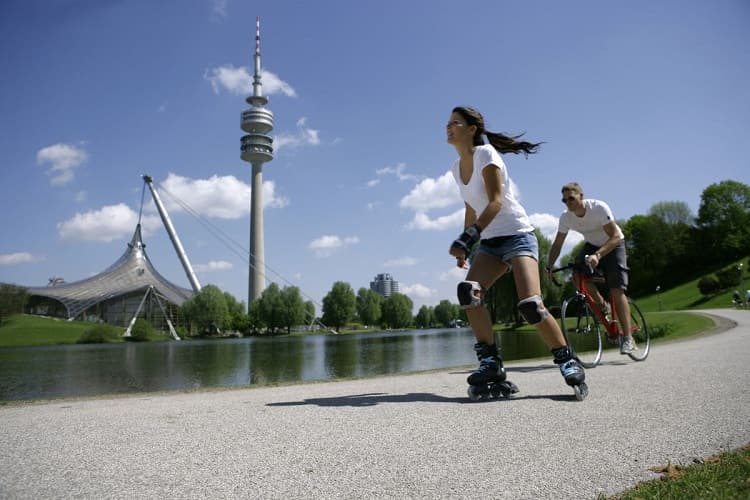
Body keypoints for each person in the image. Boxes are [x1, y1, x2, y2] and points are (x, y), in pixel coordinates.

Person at [446, 106, 586, 395]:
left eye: (455, 123)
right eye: (447, 123)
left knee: (530, 305)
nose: (448, 127)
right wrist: (465, 246)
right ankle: (491, 362)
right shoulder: (456, 168)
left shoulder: (486, 155)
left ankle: (566, 358)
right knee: (468, 292)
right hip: (490, 243)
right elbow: (472, 207)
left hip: (518, 236)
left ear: (472, 129)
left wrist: (469, 237)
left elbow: (495, 201)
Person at [546, 182, 636, 354]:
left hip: (614, 244)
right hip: (592, 245)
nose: (568, 203)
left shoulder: (599, 208)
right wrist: (549, 265)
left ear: (581, 196)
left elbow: (615, 236)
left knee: (616, 290)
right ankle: (603, 306)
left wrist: (598, 255)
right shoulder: (566, 217)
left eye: (571, 198)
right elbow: (557, 244)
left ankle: (628, 338)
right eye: (564, 200)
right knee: (577, 277)